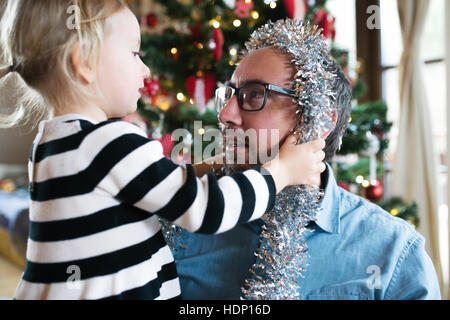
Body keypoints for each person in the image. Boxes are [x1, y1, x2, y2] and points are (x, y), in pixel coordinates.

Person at [0, 2, 326, 300]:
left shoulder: (54, 142)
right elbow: (208, 209)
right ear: (83, 61)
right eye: (133, 54)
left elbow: (149, 183)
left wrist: (212, 167)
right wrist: (282, 171)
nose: (145, 70)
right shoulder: (110, 141)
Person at [174, 19, 441, 300]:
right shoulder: (182, 226)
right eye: (228, 96)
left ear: (321, 120)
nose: (225, 114)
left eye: (255, 94)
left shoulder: (393, 251)